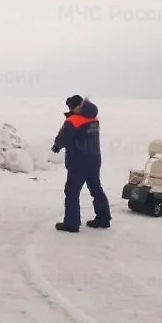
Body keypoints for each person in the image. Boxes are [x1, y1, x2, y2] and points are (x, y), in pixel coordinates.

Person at [51, 95, 112, 232]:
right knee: (96, 189)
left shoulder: (73, 120)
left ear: (74, 106)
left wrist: (57, 146)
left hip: (78, 163)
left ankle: (71, 223)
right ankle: (103, 219)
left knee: (72, 192)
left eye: (70, 106)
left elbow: (64, 137)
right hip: (94, 161)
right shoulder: (94, 118)